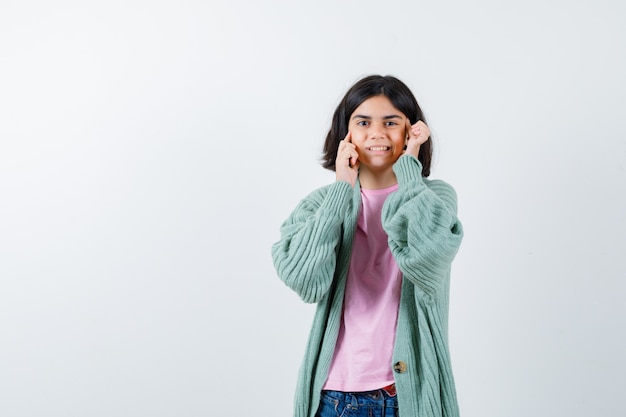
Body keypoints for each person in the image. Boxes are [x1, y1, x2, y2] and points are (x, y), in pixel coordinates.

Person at [272, 75, 464, 417]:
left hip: (408, 396)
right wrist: (341, 190)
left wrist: (410, 166)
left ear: (411, 131)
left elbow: (428, 259)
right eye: (363, 122)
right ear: (345, 133)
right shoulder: (320, 205)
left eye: (391, 122)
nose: (377, 133)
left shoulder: (434, 198)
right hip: (333, 396)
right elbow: (303, 280)